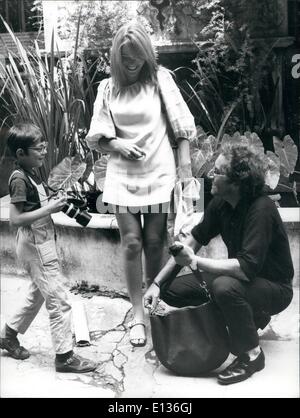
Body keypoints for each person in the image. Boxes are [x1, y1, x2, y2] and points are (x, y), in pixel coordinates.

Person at [144, 143, 294, 384]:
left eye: (217, 172)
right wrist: (157, 284)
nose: (210, 175)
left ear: (237, 181)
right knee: (172, 290)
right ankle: (247, 319)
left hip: (274, 289)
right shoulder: (221, 203)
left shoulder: (261, 209)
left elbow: (245, 269)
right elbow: (192, 243)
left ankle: (252, 355)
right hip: (243, 280)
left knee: (224, 287)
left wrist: (195, 261)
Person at [86, 22, 196, 347]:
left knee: (154, 242)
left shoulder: (160, 80)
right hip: (122, 175)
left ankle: (154, 301)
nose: (132, 62)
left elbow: (183, 128)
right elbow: (98, 138)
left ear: (146, 54)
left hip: (158, 172)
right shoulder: (107, 88)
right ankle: (137, 314)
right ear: (117, 56)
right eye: (126, 57)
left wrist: (185, 170)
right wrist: (116, 145)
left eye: (138, 56)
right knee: (131, 243)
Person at [0, 123, 97, 373]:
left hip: (42, 242)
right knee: (59, 299)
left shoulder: (32, 172)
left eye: (44, 145)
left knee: (38, 295)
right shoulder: (20, 178)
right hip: (35, 245)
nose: (43, 151)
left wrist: (56, 202)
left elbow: (34, 207)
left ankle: (8, 335)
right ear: (20, 153)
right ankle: (64, 357)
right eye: (38, 148)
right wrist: (50, 209)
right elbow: (14, 219)